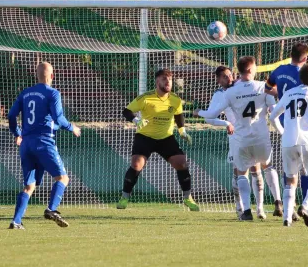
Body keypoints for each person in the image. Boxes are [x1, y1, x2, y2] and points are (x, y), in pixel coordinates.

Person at [195, 56, 282, 220]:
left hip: (242, 138)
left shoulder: (231, 92)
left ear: (238, 71)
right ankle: (278, 200)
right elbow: (274, 110)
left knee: (242, 174)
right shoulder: (262, 86)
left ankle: (248, 210)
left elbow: (212, 114)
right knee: (267, 167)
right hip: (261, 137)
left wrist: (198, 112)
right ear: (251, 69)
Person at [7, 62, 81, 230]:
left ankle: (16, 221)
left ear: (37, 76)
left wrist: (17, 133)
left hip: (26, 144)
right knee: (62, 178)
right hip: (44, 142)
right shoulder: (53, 93)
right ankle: (51, 209)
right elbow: (59, 118)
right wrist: (72, 127)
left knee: (29, 185)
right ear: (52, 76)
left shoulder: (25, 93)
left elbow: (11, 115)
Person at [117, 69, 198, 211]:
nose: (168, 82)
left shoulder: (175, 100)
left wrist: (182, 131)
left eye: (170, 79)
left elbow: (178, 116)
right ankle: (124, 197)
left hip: (166, 138)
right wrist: (136, 120)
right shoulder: (146, 97)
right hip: (145, 137)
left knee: (181, 163)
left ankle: (188, 198)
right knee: (136, 165)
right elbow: (126, 111)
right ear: (157, 81)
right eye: (164, 79)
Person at [269, 62, 308, 227]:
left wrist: (282, 132)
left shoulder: (288, 93)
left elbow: (272, 117)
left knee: (290, 181)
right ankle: (306, 207)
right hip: (307, 140)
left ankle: (287, 219)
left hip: (288, 142)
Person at [265, 43, 308, 205]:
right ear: (305, 58)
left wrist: (283, 95)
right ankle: (307, 206)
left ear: (290, 54)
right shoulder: (303, 75)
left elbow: (266, 88)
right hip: (301, 124)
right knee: (306, 167)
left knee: (289, 167)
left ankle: (288, 207)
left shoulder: (279, 70)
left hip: (283, 122)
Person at [200, 66, 243, 218]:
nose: (229, 78)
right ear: (218, 80)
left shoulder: (242, 86)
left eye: (230, 75)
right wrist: (226, 124)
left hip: (252, 133)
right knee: (238, 172)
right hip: (236, 137)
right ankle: (241, 209)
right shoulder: (219, 94)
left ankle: (260, 209)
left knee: (256, 170)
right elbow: (208, 118)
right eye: (225, 76)